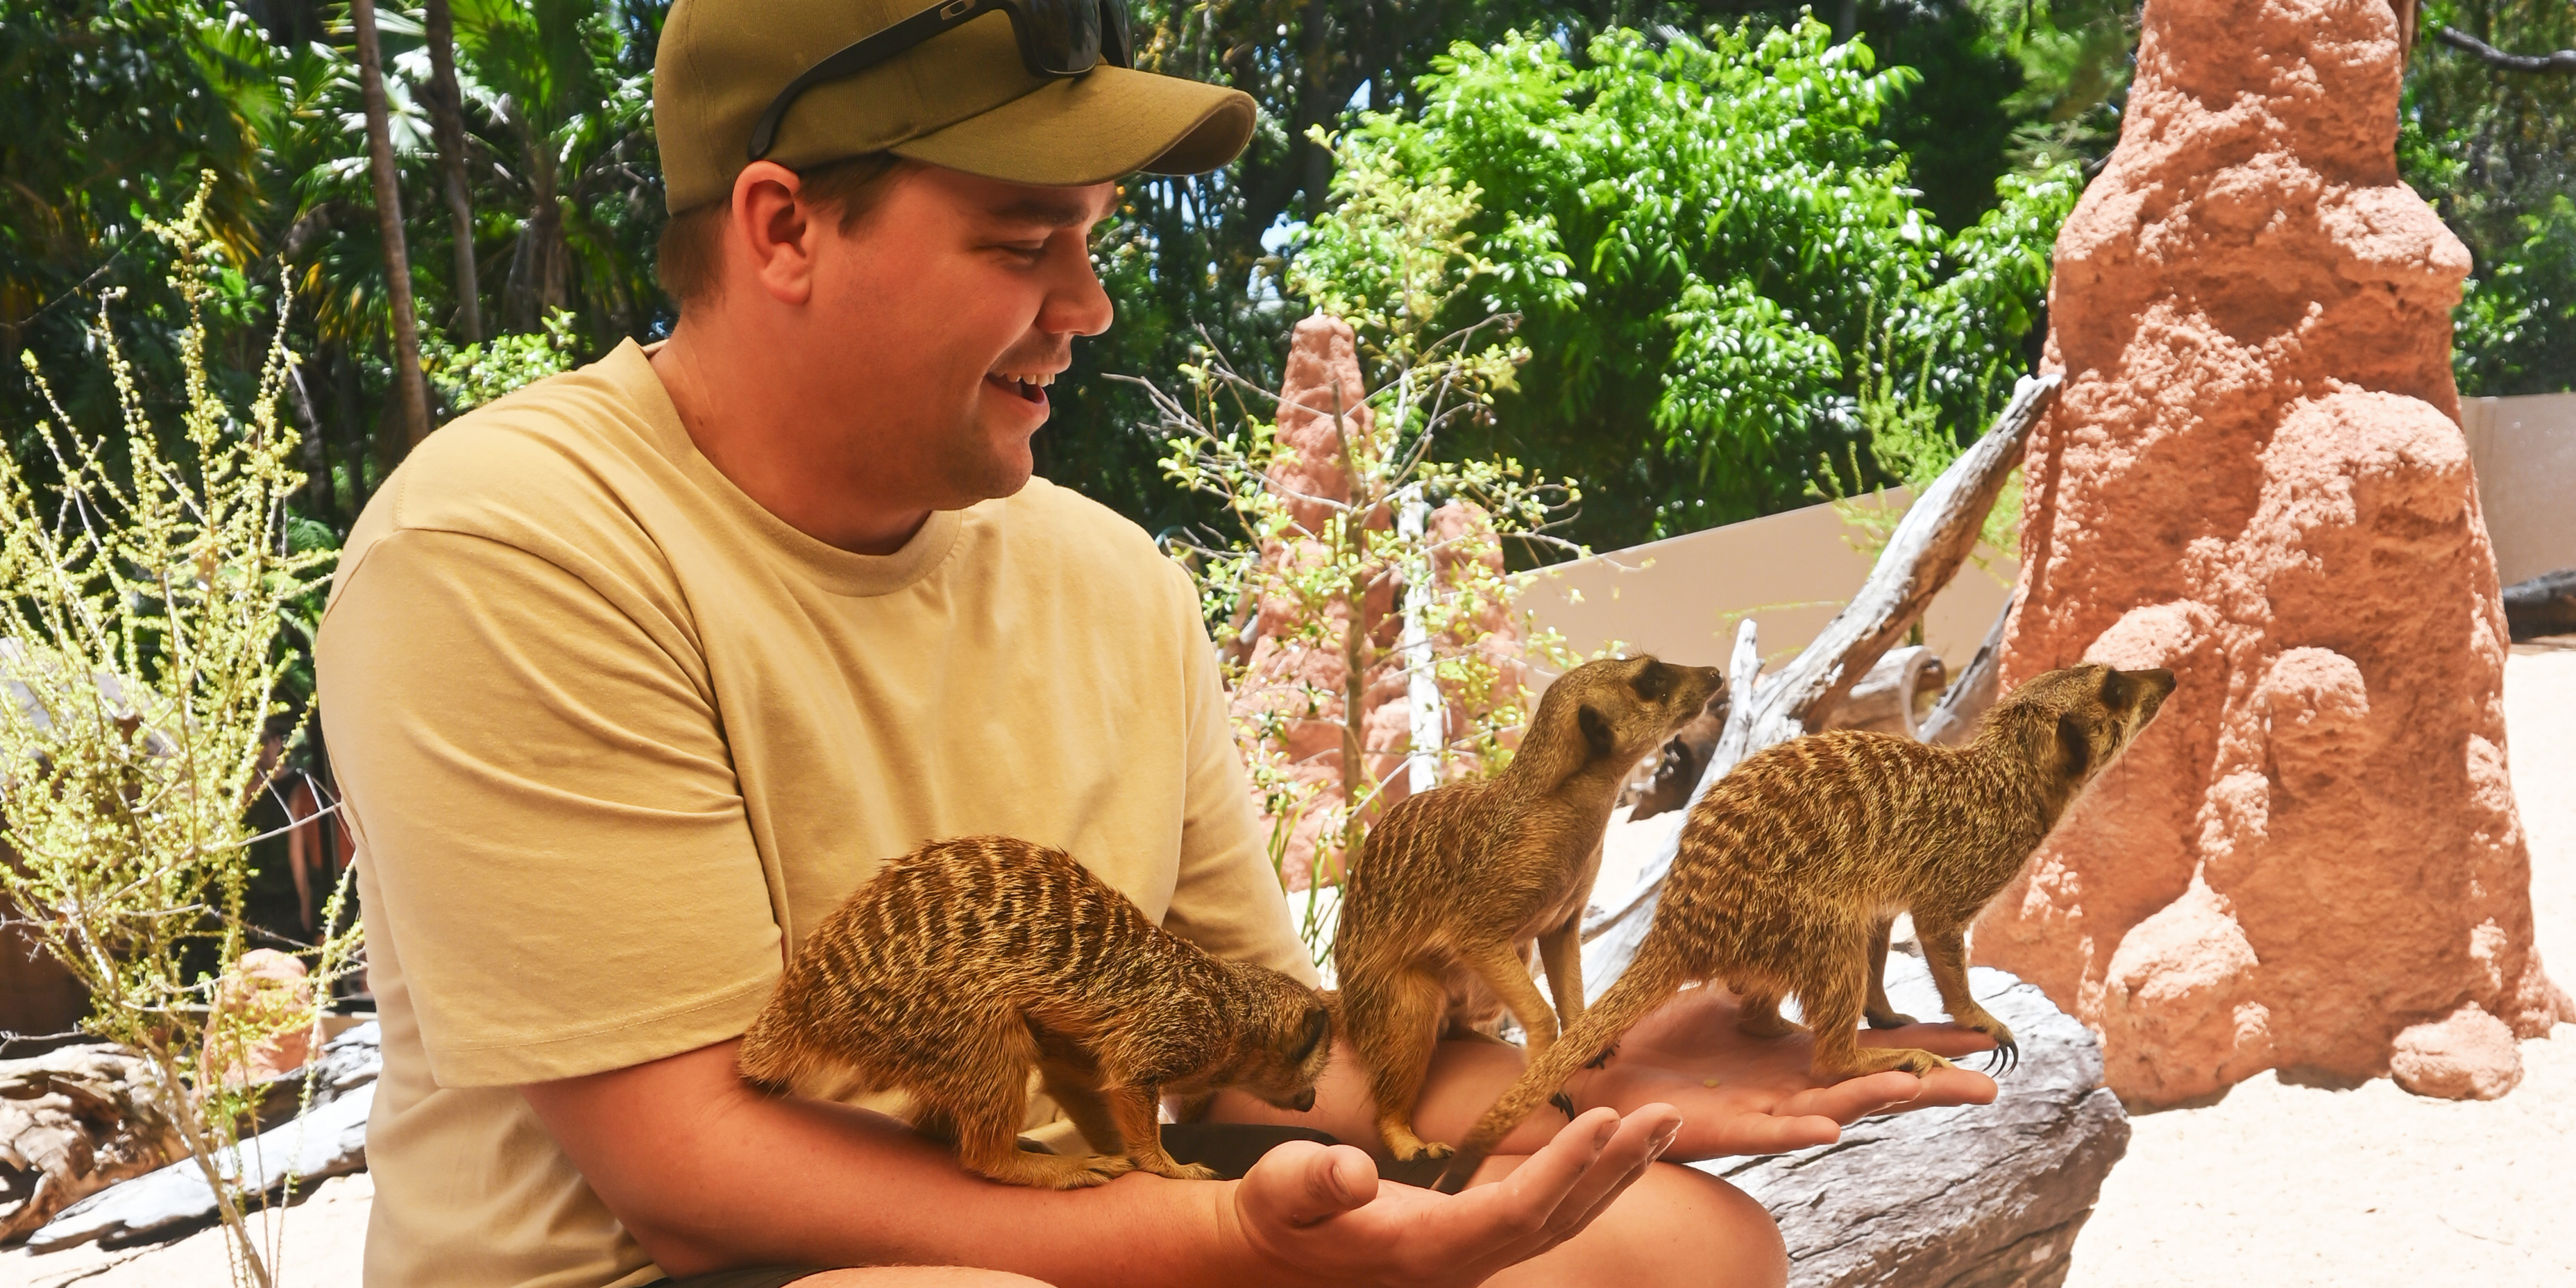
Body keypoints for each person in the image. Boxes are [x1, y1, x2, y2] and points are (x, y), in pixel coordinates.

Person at [314, 1, 2001, 1285]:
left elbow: (1262, 1046)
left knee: (1681, 1246)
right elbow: (680, 1163)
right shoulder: (511, 544)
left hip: (1064, 1204)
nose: (1089, 302)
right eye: (1017, 241)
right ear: (781, 230)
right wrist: (1223, 1243)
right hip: (684, 1266)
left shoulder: (1111, 581)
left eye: (1095, 236)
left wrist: (1576, 1083)